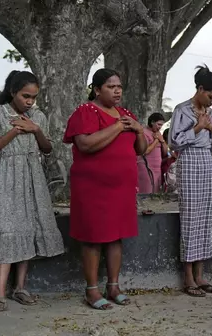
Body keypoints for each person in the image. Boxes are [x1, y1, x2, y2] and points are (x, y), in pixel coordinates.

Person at [0, 71, 65, 314]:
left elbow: (47, 149)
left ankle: (20, 287)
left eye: (34, 97)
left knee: (28, 226)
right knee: (6, 227)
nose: (30, 101)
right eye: (25, 96)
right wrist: (14, 131)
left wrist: (35, 129)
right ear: (13, 92)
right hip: (7, 174)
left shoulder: (38, 116)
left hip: (32, 175)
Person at [63, 69, 147, 310]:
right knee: (93, 237)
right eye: (110, 86)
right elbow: (85, 144)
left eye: (119, 86)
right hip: (93, 187)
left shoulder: (126, 114)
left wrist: (139, 129)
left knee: (115, 237)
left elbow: (140, 149)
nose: (117, 90)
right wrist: (118, 127)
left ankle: (113, 286)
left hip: (121, 188)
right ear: (97, 89)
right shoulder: (86, 111)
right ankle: (91, 290)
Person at [168, 65, 212, 298]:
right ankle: (188, 277)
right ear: (200, 88)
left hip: (206, 162)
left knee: (205, 218)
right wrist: (198, 126)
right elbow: (174, 141)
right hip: (189, 161)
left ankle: (201, 275)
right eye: (211, 96)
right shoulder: (182, 110)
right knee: (191, 217)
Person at [137, 113, 168, 194]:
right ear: (152, 122)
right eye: (158, 124)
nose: (160, 127)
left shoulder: (158, 134)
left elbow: (164, 153)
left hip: (157, 168)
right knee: (146, 192)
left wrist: (162, 141)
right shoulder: (143, 132)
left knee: (156, 193)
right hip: (145, 167)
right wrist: (156, 141)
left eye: (161, 125)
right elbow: (144, 151)